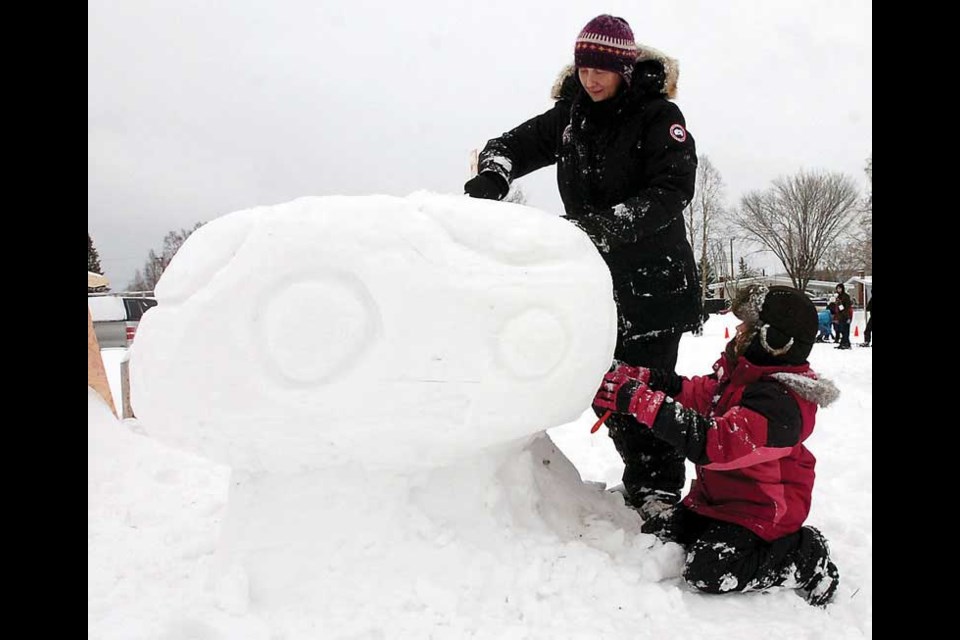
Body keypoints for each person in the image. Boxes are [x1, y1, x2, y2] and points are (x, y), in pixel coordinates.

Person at [464, 14, 703, 520]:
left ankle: (658, 490)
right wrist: (494, 174)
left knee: (648, 387)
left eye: (602, 69)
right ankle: (642, 476)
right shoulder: (570, 117)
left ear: (624, 69)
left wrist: (601, 227)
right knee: (604, 384)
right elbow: (510, 146)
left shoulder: (657, 116)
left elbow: (672, 190)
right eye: (584, 67)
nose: (591, 79)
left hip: (654, 284)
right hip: (598, 284)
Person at [591, 285, 841, 607]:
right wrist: (644, 378)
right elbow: (695, 393)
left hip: (760, 513)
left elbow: (714, 443)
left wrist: (641, 402)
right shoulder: (743, 377)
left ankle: (804, 553)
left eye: (748, 326)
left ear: (774, 342)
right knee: (657, 534)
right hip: (717, 501)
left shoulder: (781, 407)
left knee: (708, 570)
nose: (738, 330)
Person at [833, 283, 853, 349]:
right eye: (837, 288)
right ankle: (845, 343)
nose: (838, 290)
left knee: (845, 330)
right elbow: (838, 307)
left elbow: (847, 307)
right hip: (840, 316)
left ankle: (845, 343)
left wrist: (847, 316)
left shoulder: (845, 296)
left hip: (845, 315)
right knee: (842, 330)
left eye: (840, 288)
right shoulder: (839, 297)